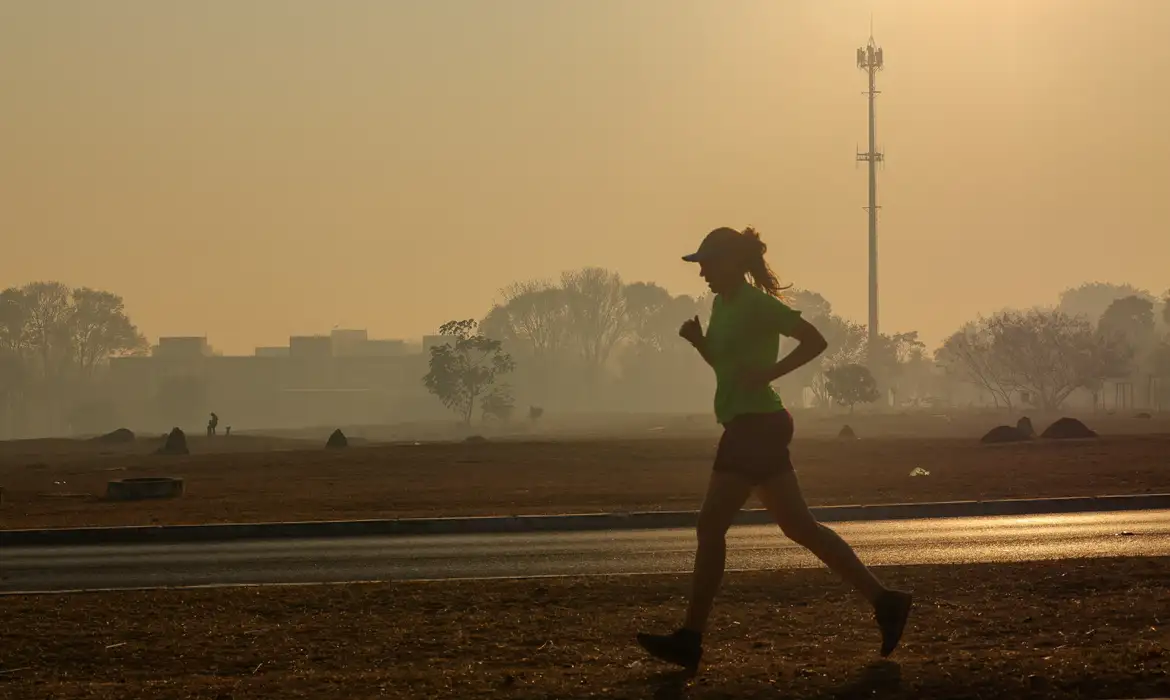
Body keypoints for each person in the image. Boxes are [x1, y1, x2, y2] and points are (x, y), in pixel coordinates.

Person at [635, 226, 912, 672]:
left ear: (730, 262)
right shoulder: (721, 305)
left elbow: (816, 340)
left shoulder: (757, 304)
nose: (701, 271)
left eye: (706, 262)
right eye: (699, 263)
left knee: (710, 526)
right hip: (752, 424)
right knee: (800, 528)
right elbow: (728, 368)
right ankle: (885, 600)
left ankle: (690, 638)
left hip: (755, 428)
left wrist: (770, 374)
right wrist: (700, 343)